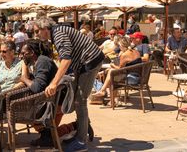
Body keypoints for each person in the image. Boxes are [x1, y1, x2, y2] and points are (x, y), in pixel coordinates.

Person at [33, 12, 104, 151]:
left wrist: (54, 83)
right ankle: (82, 127)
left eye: (37, 31)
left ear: (45, 28)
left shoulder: (58, 33)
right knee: (77, 100)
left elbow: (66, 59)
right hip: (84, 64)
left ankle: (81, 141)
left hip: (90, 63)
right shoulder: (57, 32)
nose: (36, 35)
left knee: (80, 101)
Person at [91, 37, 141, 101]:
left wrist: (112, 65)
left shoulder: (125, 54)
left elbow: (119, 68)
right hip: (139, 77)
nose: (119, 48)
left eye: (119, 46)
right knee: (111, 72)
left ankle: (106, 94)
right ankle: (109, 95)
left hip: (131, 79)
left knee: (112, 73)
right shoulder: (136, 51)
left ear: (122, 46)